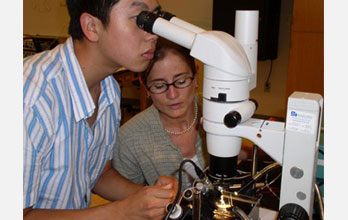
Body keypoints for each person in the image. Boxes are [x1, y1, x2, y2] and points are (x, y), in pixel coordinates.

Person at [23, 0, 178, 219]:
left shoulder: (108, 89)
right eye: (140, 19)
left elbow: (98, 174)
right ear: (92, 26)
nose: (153, 34)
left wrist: (153, 199)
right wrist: (123, 211)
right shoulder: (31, 98)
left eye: (154, 17)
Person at [113, 38, 209, 190]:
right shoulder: (128, 140)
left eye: (181, 81)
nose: (172, 94)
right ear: (145, 86)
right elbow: (127, 205)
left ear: (195, 75)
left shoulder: (216, 113)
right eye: (159, 86)